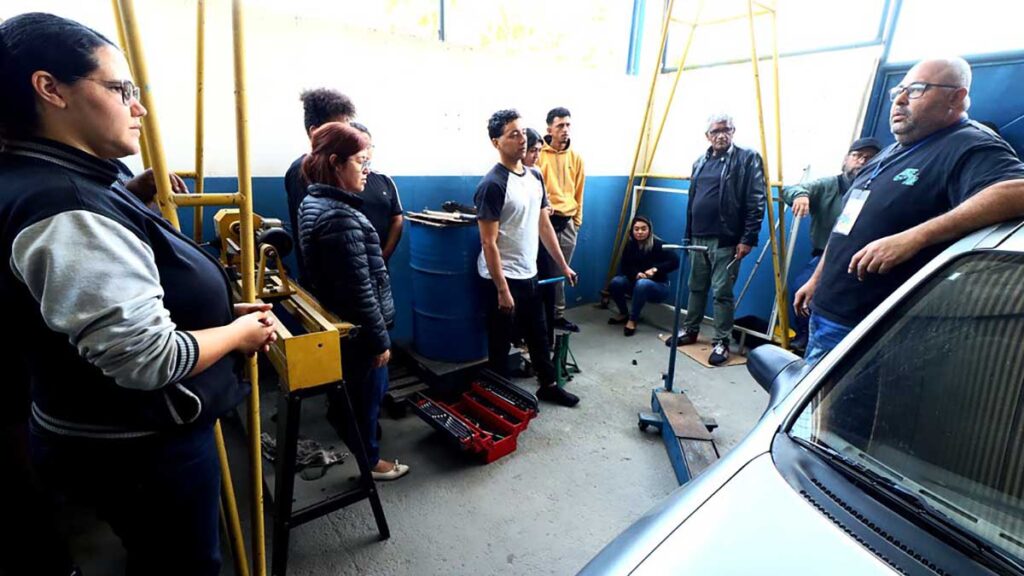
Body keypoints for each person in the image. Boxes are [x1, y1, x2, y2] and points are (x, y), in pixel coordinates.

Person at [0, 13, 277, 576]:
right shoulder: (67, 205)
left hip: (97, 433)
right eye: (120, 89)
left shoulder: (55, 178)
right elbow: (148, 359)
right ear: (50, 88)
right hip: (140, 446)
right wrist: (236, 334)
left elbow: (89, 282)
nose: (139, 107)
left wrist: (130, 193)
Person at [795, 57, 1024, 364]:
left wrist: (915, 237)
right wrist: (817, 279)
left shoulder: (969, 144)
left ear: (956, 97)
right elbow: (846, 225)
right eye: (898, 91)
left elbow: (1017, 191)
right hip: (828, 311)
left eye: (916, 89)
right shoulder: (890, 152)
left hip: (875, 330)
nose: (900, 100)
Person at [297, 122, 408, 480]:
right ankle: (371, 464)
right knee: (366, 400)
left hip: (344, 326)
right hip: (360, 333)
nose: (367, 169)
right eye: (361, 161)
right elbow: (358, 292)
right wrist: (379, 341)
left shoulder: (314, 201)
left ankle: (355, 437)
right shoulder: (339, 216)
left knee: (354, 396)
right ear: (336, 162)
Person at [476, 109, 581, 407]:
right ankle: (497, 397)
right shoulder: (492, 185)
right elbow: (488, 242)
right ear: (496, 142)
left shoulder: (535, 176)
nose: (522, 139)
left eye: (523, 132)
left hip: (528, 272)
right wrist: (501, 289)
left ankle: (548, 385)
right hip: (500, 277)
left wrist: (563, 265)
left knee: (538, 334)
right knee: (500, 342)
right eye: (513, 134)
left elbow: (543, 224)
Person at [671, 113, 766, 366]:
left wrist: (748, 238)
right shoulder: (699, 162)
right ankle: (690, 330)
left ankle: (722, 342)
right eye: (716, 131)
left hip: (726, 239)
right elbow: (693, 200)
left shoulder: (747, 158)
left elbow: (756, 200)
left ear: (733, 131)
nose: (721, 135)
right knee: (696, 287)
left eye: (726, 129)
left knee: (722, 292)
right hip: (697, 236)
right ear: (707, 136)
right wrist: (688, 234)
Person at [781, 137, 881, 349]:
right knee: (801, 287)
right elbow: (790, 190)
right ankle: (805, 335)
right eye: (857, 156)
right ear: (845, 159)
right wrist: (800, 195)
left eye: (869, 157)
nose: (862, 161)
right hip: (824, 257)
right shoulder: (829, 185)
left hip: (864, 259)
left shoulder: (881, 187)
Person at [285, 88, 356, 284]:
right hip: (326, 285)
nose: (347, 136)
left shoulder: (336, 168)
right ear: (315, 132)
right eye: (339, 130)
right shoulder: (302, 171)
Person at [537, 106, 585, 333]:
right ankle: (540, 317)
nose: (565, 129)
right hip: (544, 222)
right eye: (560, 125)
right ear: (549, 129)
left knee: (561, 272)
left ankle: (557, 315)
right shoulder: (538, 155)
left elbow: (579, 192)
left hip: (567, 223)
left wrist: (577, 222)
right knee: (541, 272)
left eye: (568, 125)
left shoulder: (575, 158)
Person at [608, 216, 680, 336]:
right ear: (632, 231)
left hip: (659, 286)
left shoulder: (658, 244)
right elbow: (625, 266)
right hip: (637, 283)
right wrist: (636, 274)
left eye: (643, 229)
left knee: (642, 284)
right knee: (616, 282)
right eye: (636, 229)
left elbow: (675, 261)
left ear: (649, 230)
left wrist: (655, 269)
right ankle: (624, 313)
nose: (640, 232)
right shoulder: (630, 245)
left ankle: (633, 319)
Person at [350, 122, 404, 262]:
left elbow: (397, 219)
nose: (365, 152)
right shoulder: (337, 183)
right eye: (360, 146)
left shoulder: (384, 180)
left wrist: (383, 256)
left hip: (380, 262)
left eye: (368, 147)